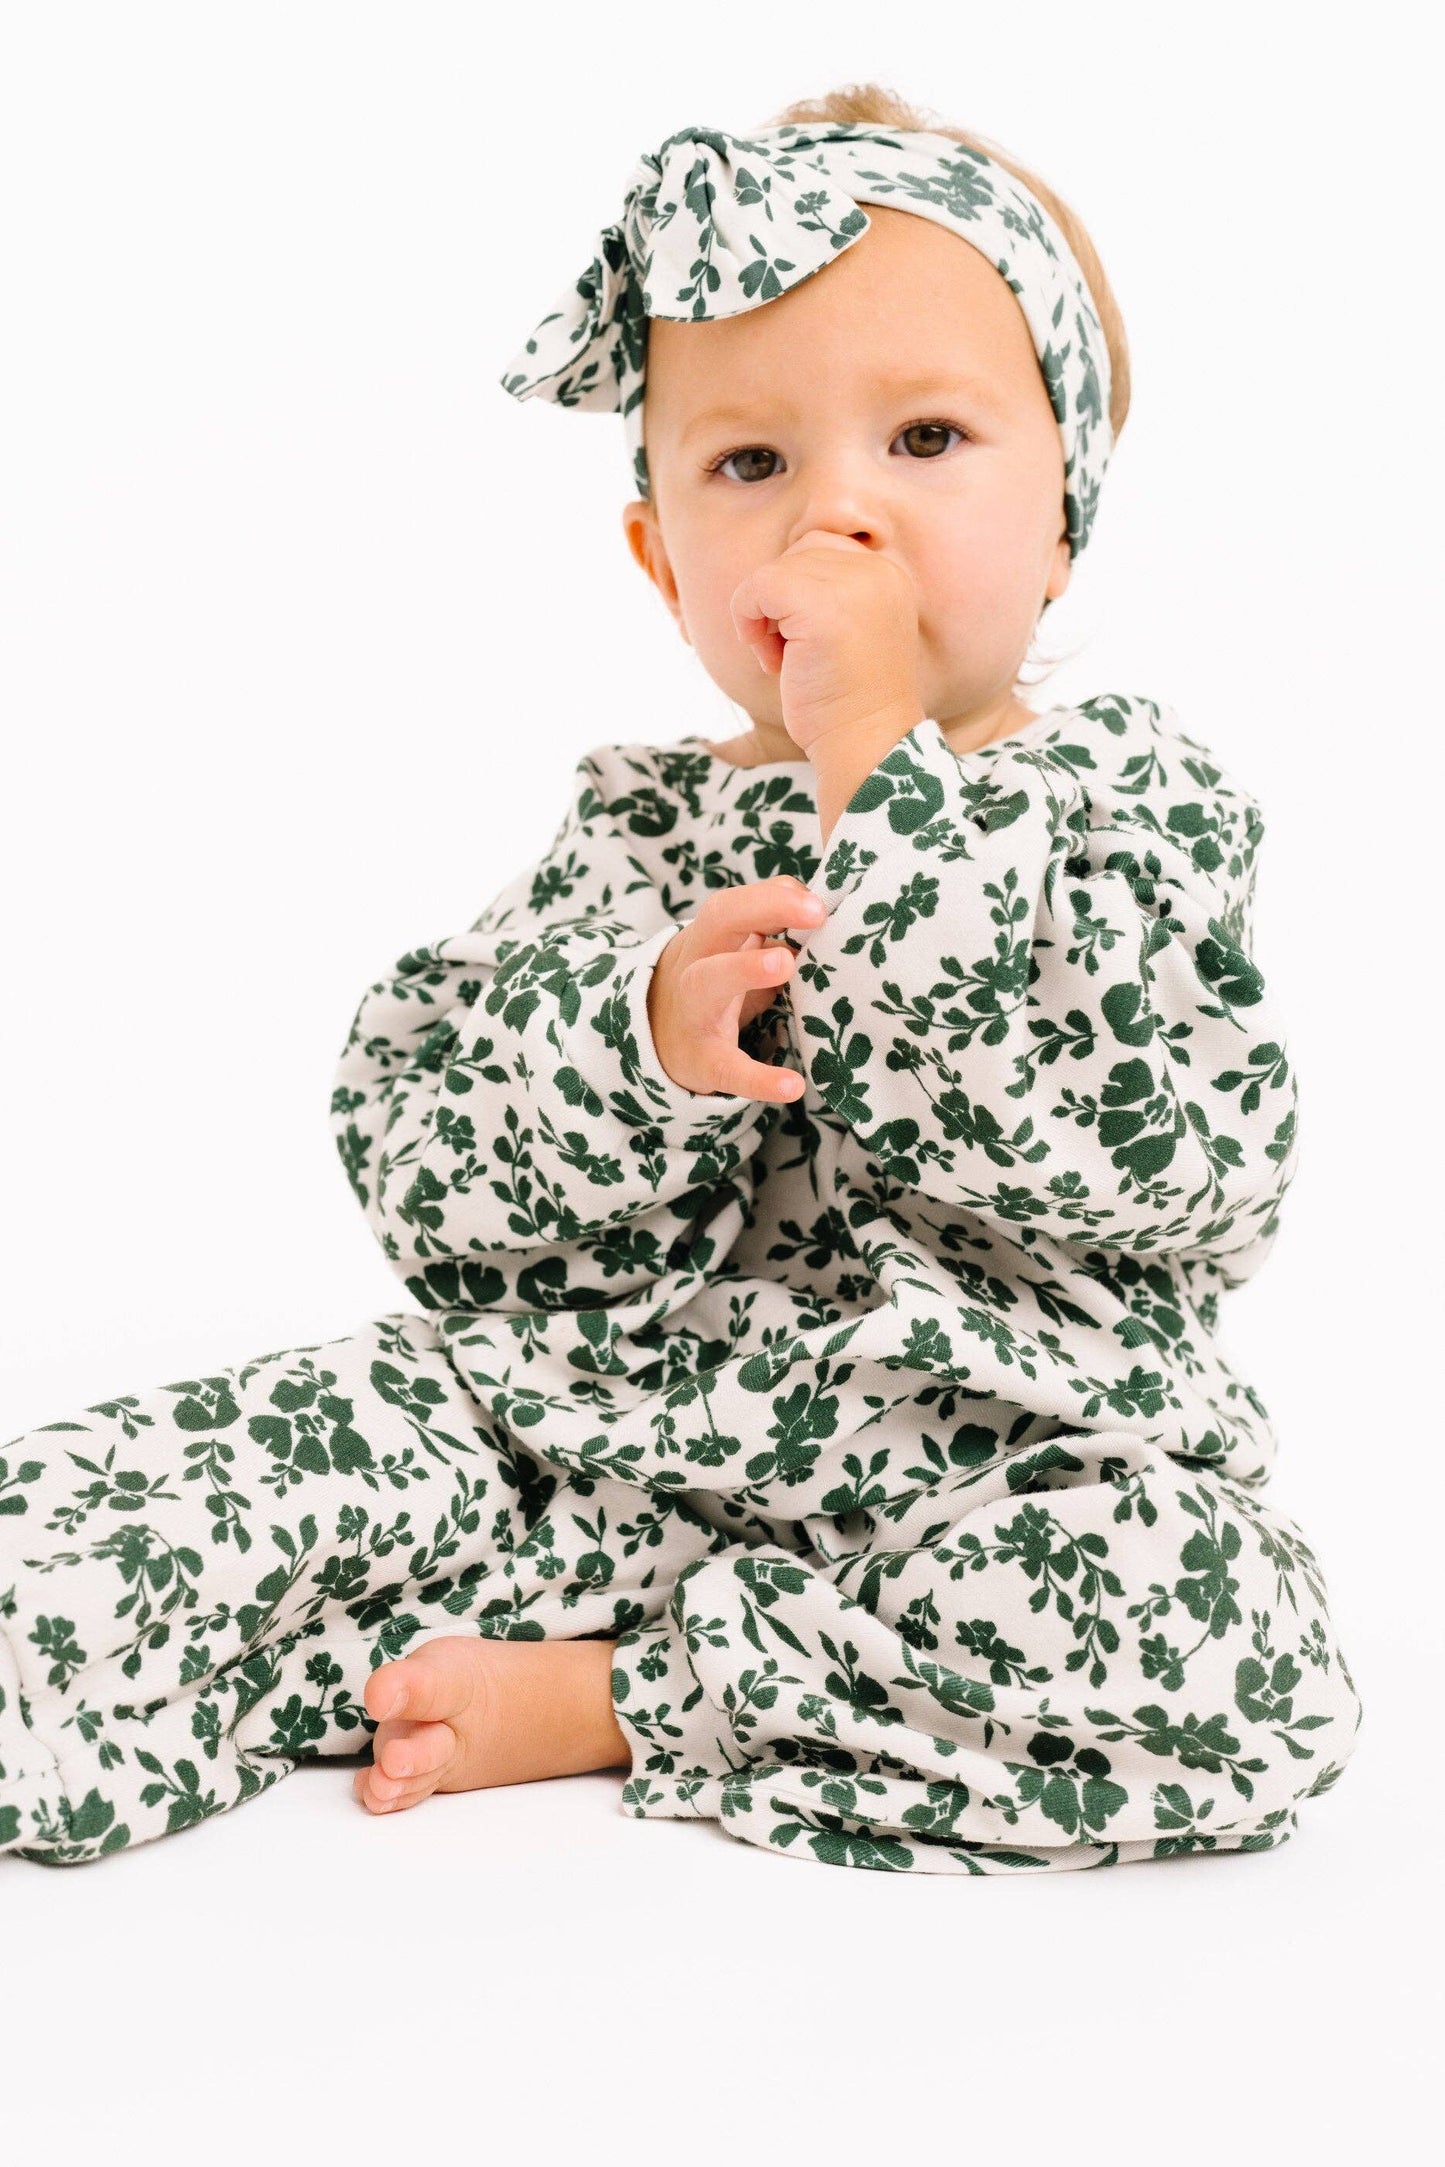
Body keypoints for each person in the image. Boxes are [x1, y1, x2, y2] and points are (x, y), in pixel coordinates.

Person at [0, 83, 1361, 1874]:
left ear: (1063, 515)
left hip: (966, 1475)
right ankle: (332, 1645)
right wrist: (628, 1037)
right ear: (662, 559)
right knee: (76, 1531)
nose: (837, 519)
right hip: (582, 1434)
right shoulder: (638, 834)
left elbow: (1180, 1166)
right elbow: (430, 1178)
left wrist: (885, 774)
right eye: (749, 464)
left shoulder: (1129, 811)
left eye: (928, 438)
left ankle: (633, 1694)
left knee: (1221, 1654)